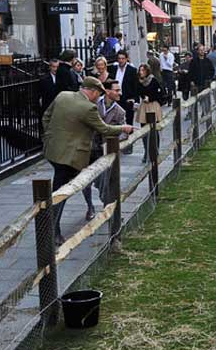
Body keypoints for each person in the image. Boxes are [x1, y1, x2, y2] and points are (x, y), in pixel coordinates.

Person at [42, 77, 133, 245]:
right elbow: (104, 129)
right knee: (61, 193)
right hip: (70, 157)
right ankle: (52, 231)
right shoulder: (88, 107)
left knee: (60, 189)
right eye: (98, 94)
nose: (98, 98)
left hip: (53, 152)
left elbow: (46, 117)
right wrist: (124, 128)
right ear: (92, 91)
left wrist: (52, 137)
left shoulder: (63, 96)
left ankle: (54, 228)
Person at [82, 79, 128, 220]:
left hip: (105, 151)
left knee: (106, 181)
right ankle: (90, 206)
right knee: (85, 181)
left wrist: (112, 141)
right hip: (89, 148)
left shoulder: (120, 111)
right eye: (116, 90)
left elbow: (124, 133)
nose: (120, 93)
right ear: (107, 91)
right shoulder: (92, 104)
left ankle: (107, 208)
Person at [135, 64, 164, 164]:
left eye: (143, 70)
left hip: (153, 105)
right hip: (144, 106)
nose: (141, 72)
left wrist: (150, 98)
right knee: (144, 130)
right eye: (140, 70)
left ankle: (155, 151)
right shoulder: (139, 81)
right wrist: (142, 97)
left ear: (147, 71)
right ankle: (146, 151)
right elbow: (138, 92)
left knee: (154, 130)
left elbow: (160, 93)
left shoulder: (153, 80)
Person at [110, 50, 138, 130]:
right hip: (115, 99)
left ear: (126, 59)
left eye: (123, 58)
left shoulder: (132, 70)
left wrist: (135, 100)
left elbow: (135, 86)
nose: (121, 60)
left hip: (127, 99)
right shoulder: (113, 69)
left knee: (128, 123)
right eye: (119, 58)